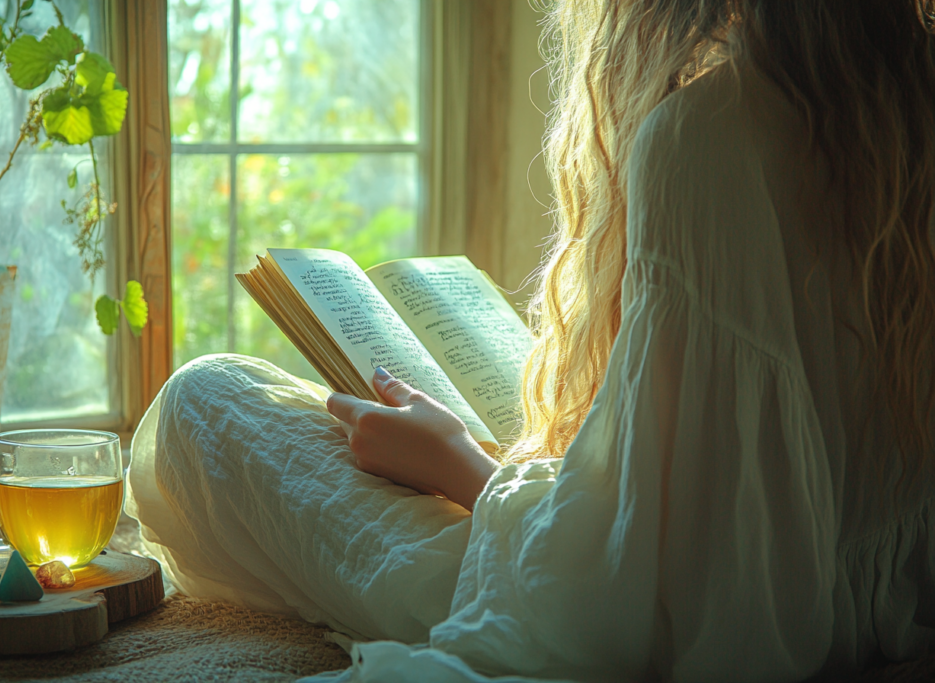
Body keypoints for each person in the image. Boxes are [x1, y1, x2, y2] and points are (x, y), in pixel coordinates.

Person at [127, 0, 935, 680]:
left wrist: (462, 465)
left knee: (208, 400)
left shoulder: (708, 140)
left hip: (694, 616)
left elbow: (656, 596)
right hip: (877, 603)